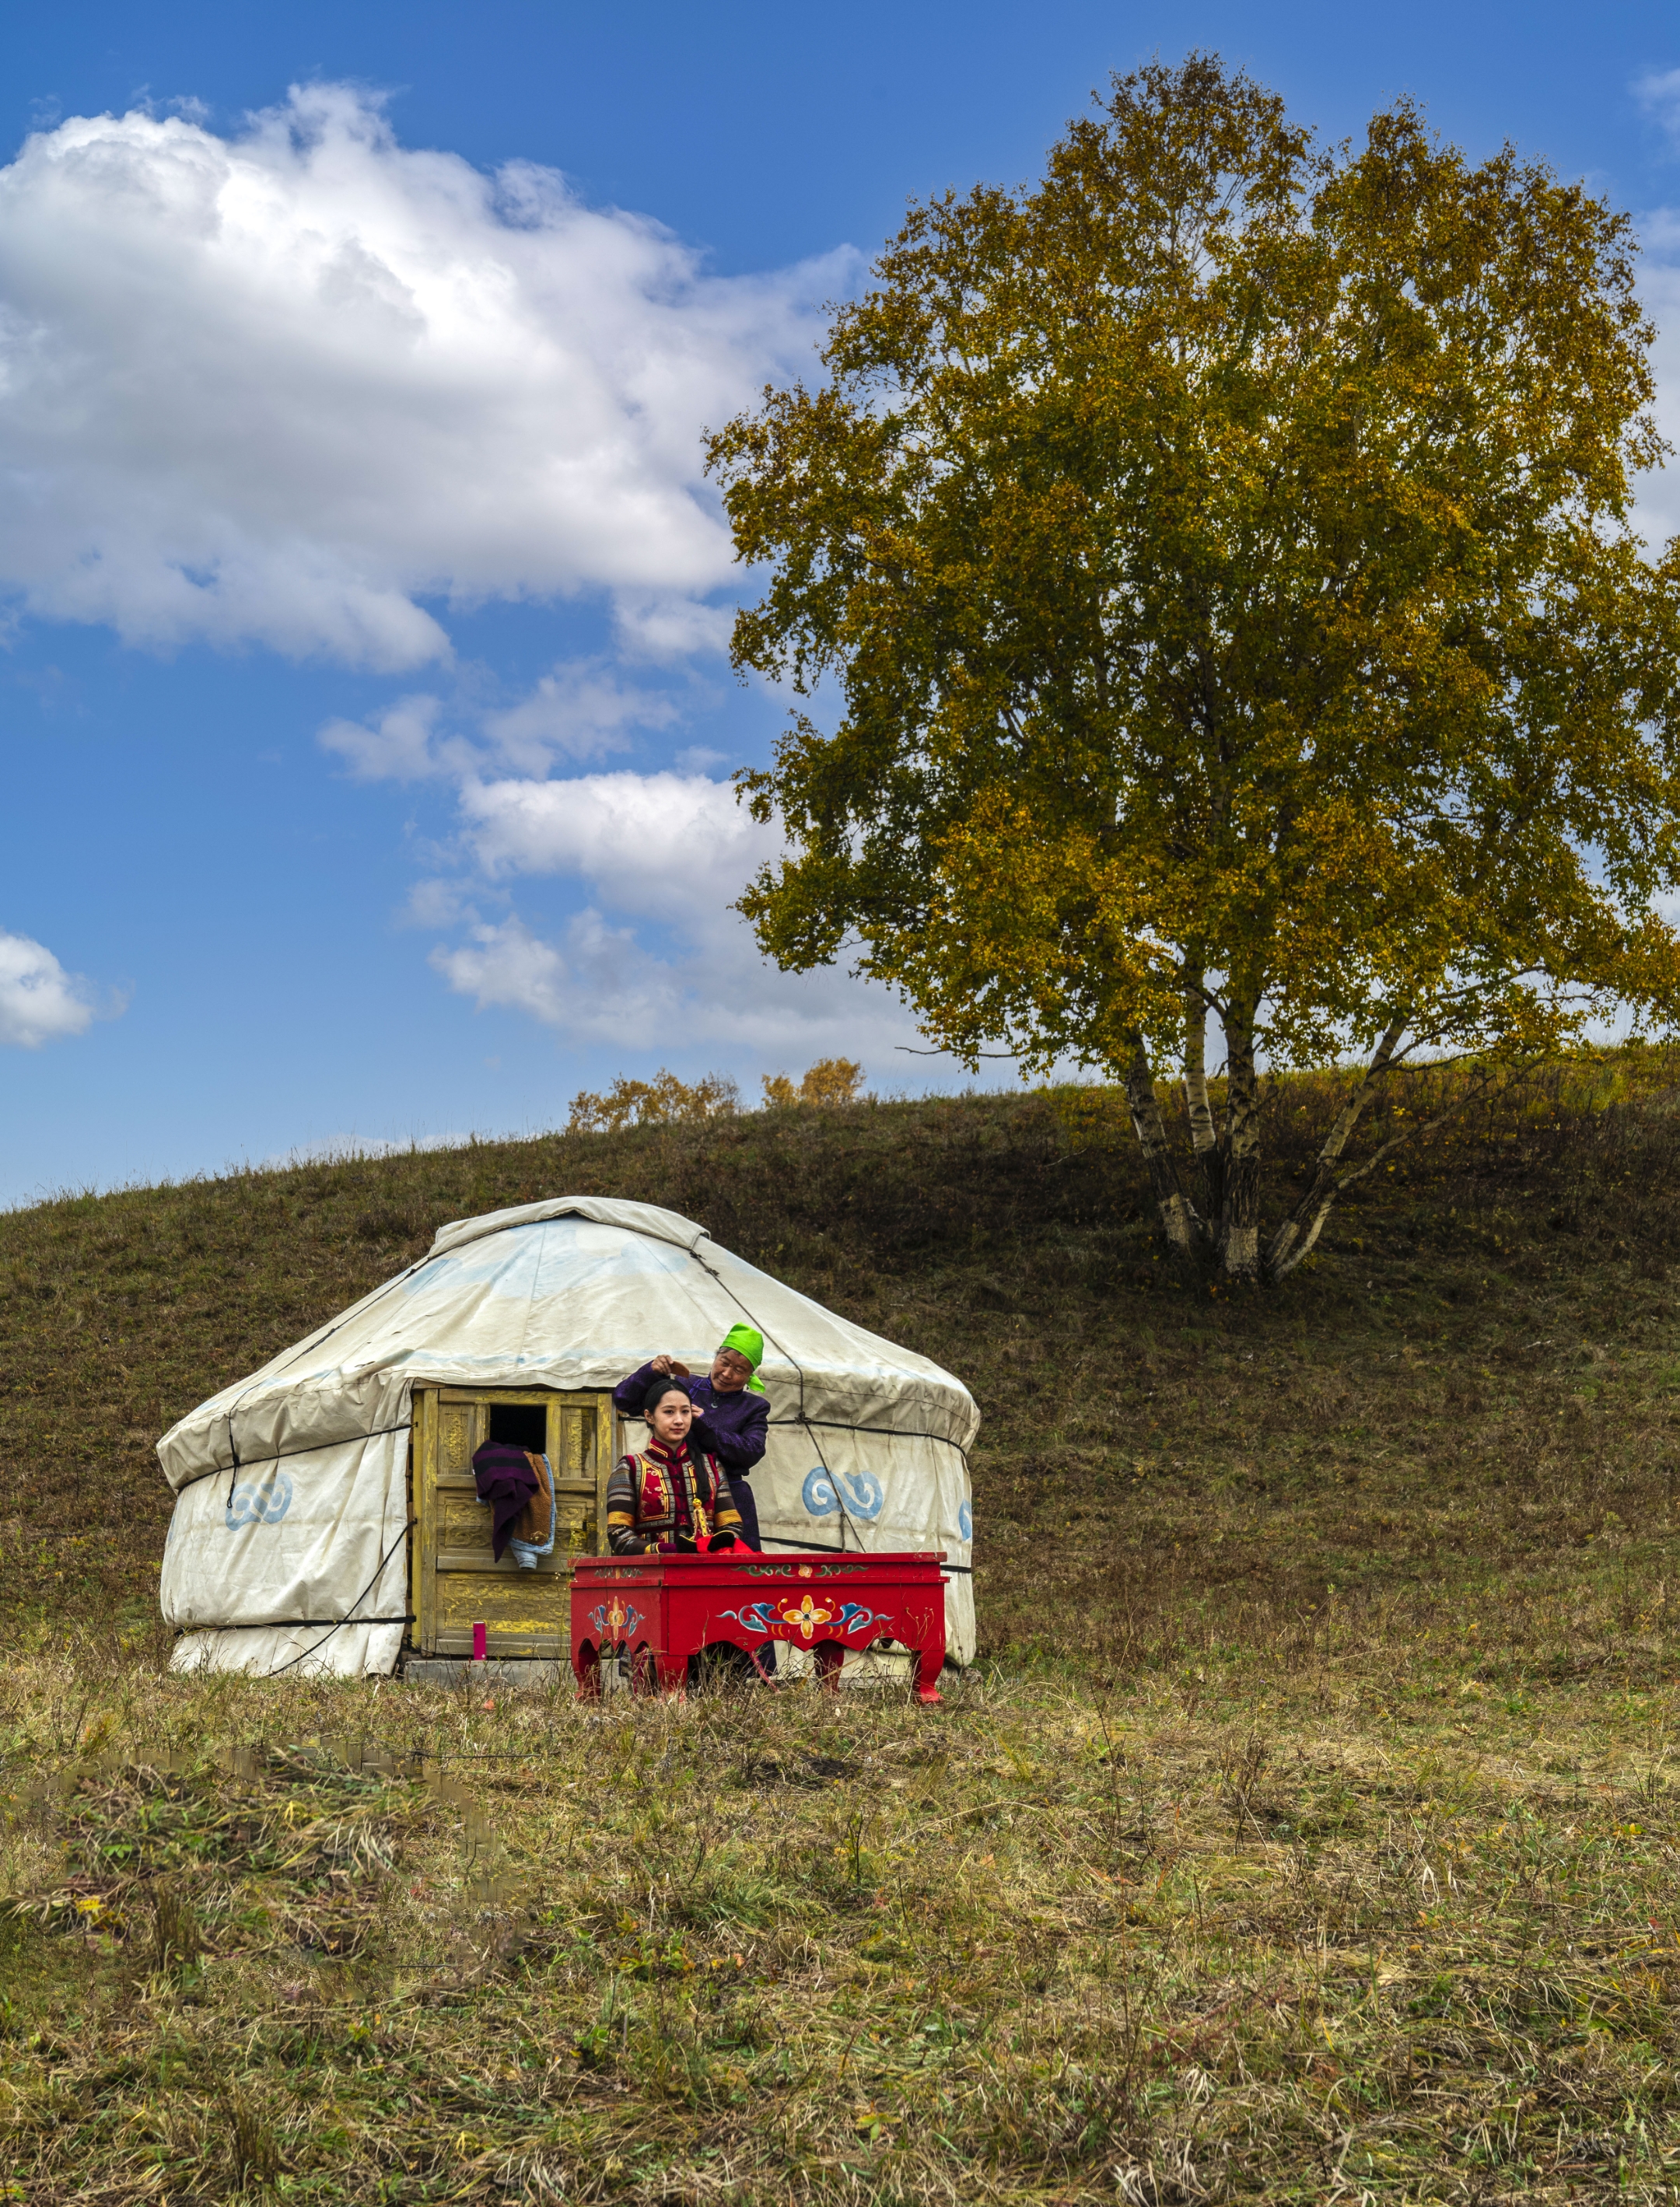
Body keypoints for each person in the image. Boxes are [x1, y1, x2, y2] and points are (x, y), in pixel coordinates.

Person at [613, 1324, 770, 1548]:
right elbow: (624, 1400)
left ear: (750, 1375)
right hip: (671, 1488)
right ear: (716, 1357)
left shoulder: (754, 1407)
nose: (727, 1374)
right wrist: (650, 1373)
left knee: (734, 1570)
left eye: (739, 1370)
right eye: (724, 1363)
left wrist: (704, 1425)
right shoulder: (684, 1386)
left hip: (730, 1499)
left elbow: (751, 1452)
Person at [605, 1373, 743, 1556]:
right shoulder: (630, 1468)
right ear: (649, 1416)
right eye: (669, 1412)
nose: (679, 1420)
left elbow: (732, 1525)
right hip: (653, 1575)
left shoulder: (711, 1466)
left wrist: (713, 1547)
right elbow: (619, 1534)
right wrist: (666, 1550)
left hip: (708, 1573)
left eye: (685, 1412)